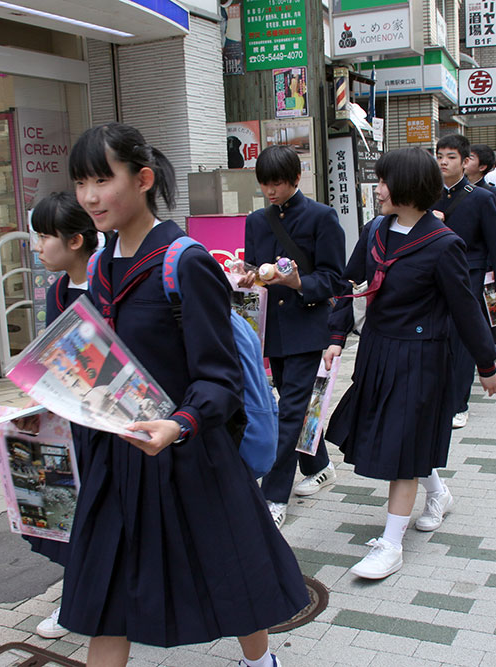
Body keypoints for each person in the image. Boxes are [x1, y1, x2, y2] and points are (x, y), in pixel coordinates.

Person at [61, 123, 307, 667]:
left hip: (187, 455)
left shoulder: (183, 261)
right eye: (81, 182)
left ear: (143, 179)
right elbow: (100, 362)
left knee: (232, 575)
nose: (89, 196)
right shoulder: (100, 265)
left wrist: (181, 424)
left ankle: (260, 660)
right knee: (106, 597)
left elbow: (220, 380)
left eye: (103, 179)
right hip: (116, 456)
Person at [323, 147, 496, 580]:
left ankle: (391, 543)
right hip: (379, 352)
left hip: (422, 357)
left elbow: (466, 310)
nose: (378, 189)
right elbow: (347, 283)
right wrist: (334, 339)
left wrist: (486, 364)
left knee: (401, 448)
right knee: (394, 436)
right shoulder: (373, 232)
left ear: (408, 188)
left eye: (384, 182)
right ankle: (438, 492)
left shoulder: (444, 246)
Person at [237, 145, 347, 529]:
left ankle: (273, 495)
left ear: (296, 179)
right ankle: (319, 465)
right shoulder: (256, 220)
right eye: (265, 184)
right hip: (270, 331)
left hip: (308, 326)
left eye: (278, 184)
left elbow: (336, 278)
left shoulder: (321, 217)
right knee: (293, 407)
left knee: (289, 412)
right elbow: (254, 268)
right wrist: (247, 276)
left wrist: (300, 282)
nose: (271, 191)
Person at [22, 192, 99, 640]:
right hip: (71, 424)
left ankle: (82, 603)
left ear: (74, 241)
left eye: (44, 235)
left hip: (109, 424)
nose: (36, 245)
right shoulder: (57, 289)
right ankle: (77, 599)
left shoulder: (110, 284)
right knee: (74, 510)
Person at [434, 134, 496, 441]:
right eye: (440, 155)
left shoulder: (483, 197)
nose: (443, 161)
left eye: (451, 156)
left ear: (466, 162)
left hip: (470, 276)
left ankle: (459, 404)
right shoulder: (429, 195)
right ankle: (442, 398)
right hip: (434, 278)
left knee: (464, 340)